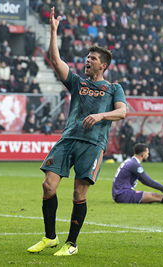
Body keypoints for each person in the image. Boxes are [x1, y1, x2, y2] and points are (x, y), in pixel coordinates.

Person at [27, 7, 127, 256]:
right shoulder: (77, 82)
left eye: (93, 59)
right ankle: (50, 238)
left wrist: (101, 115)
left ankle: (71, 243)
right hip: (68, 138)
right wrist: (53, 32)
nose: (88, 60)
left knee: (78, 192)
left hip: (93, 144)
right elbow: (55, 61)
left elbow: (122, 112)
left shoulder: (114, 88)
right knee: (48, 185)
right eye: (87, 57)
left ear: (103, 65)